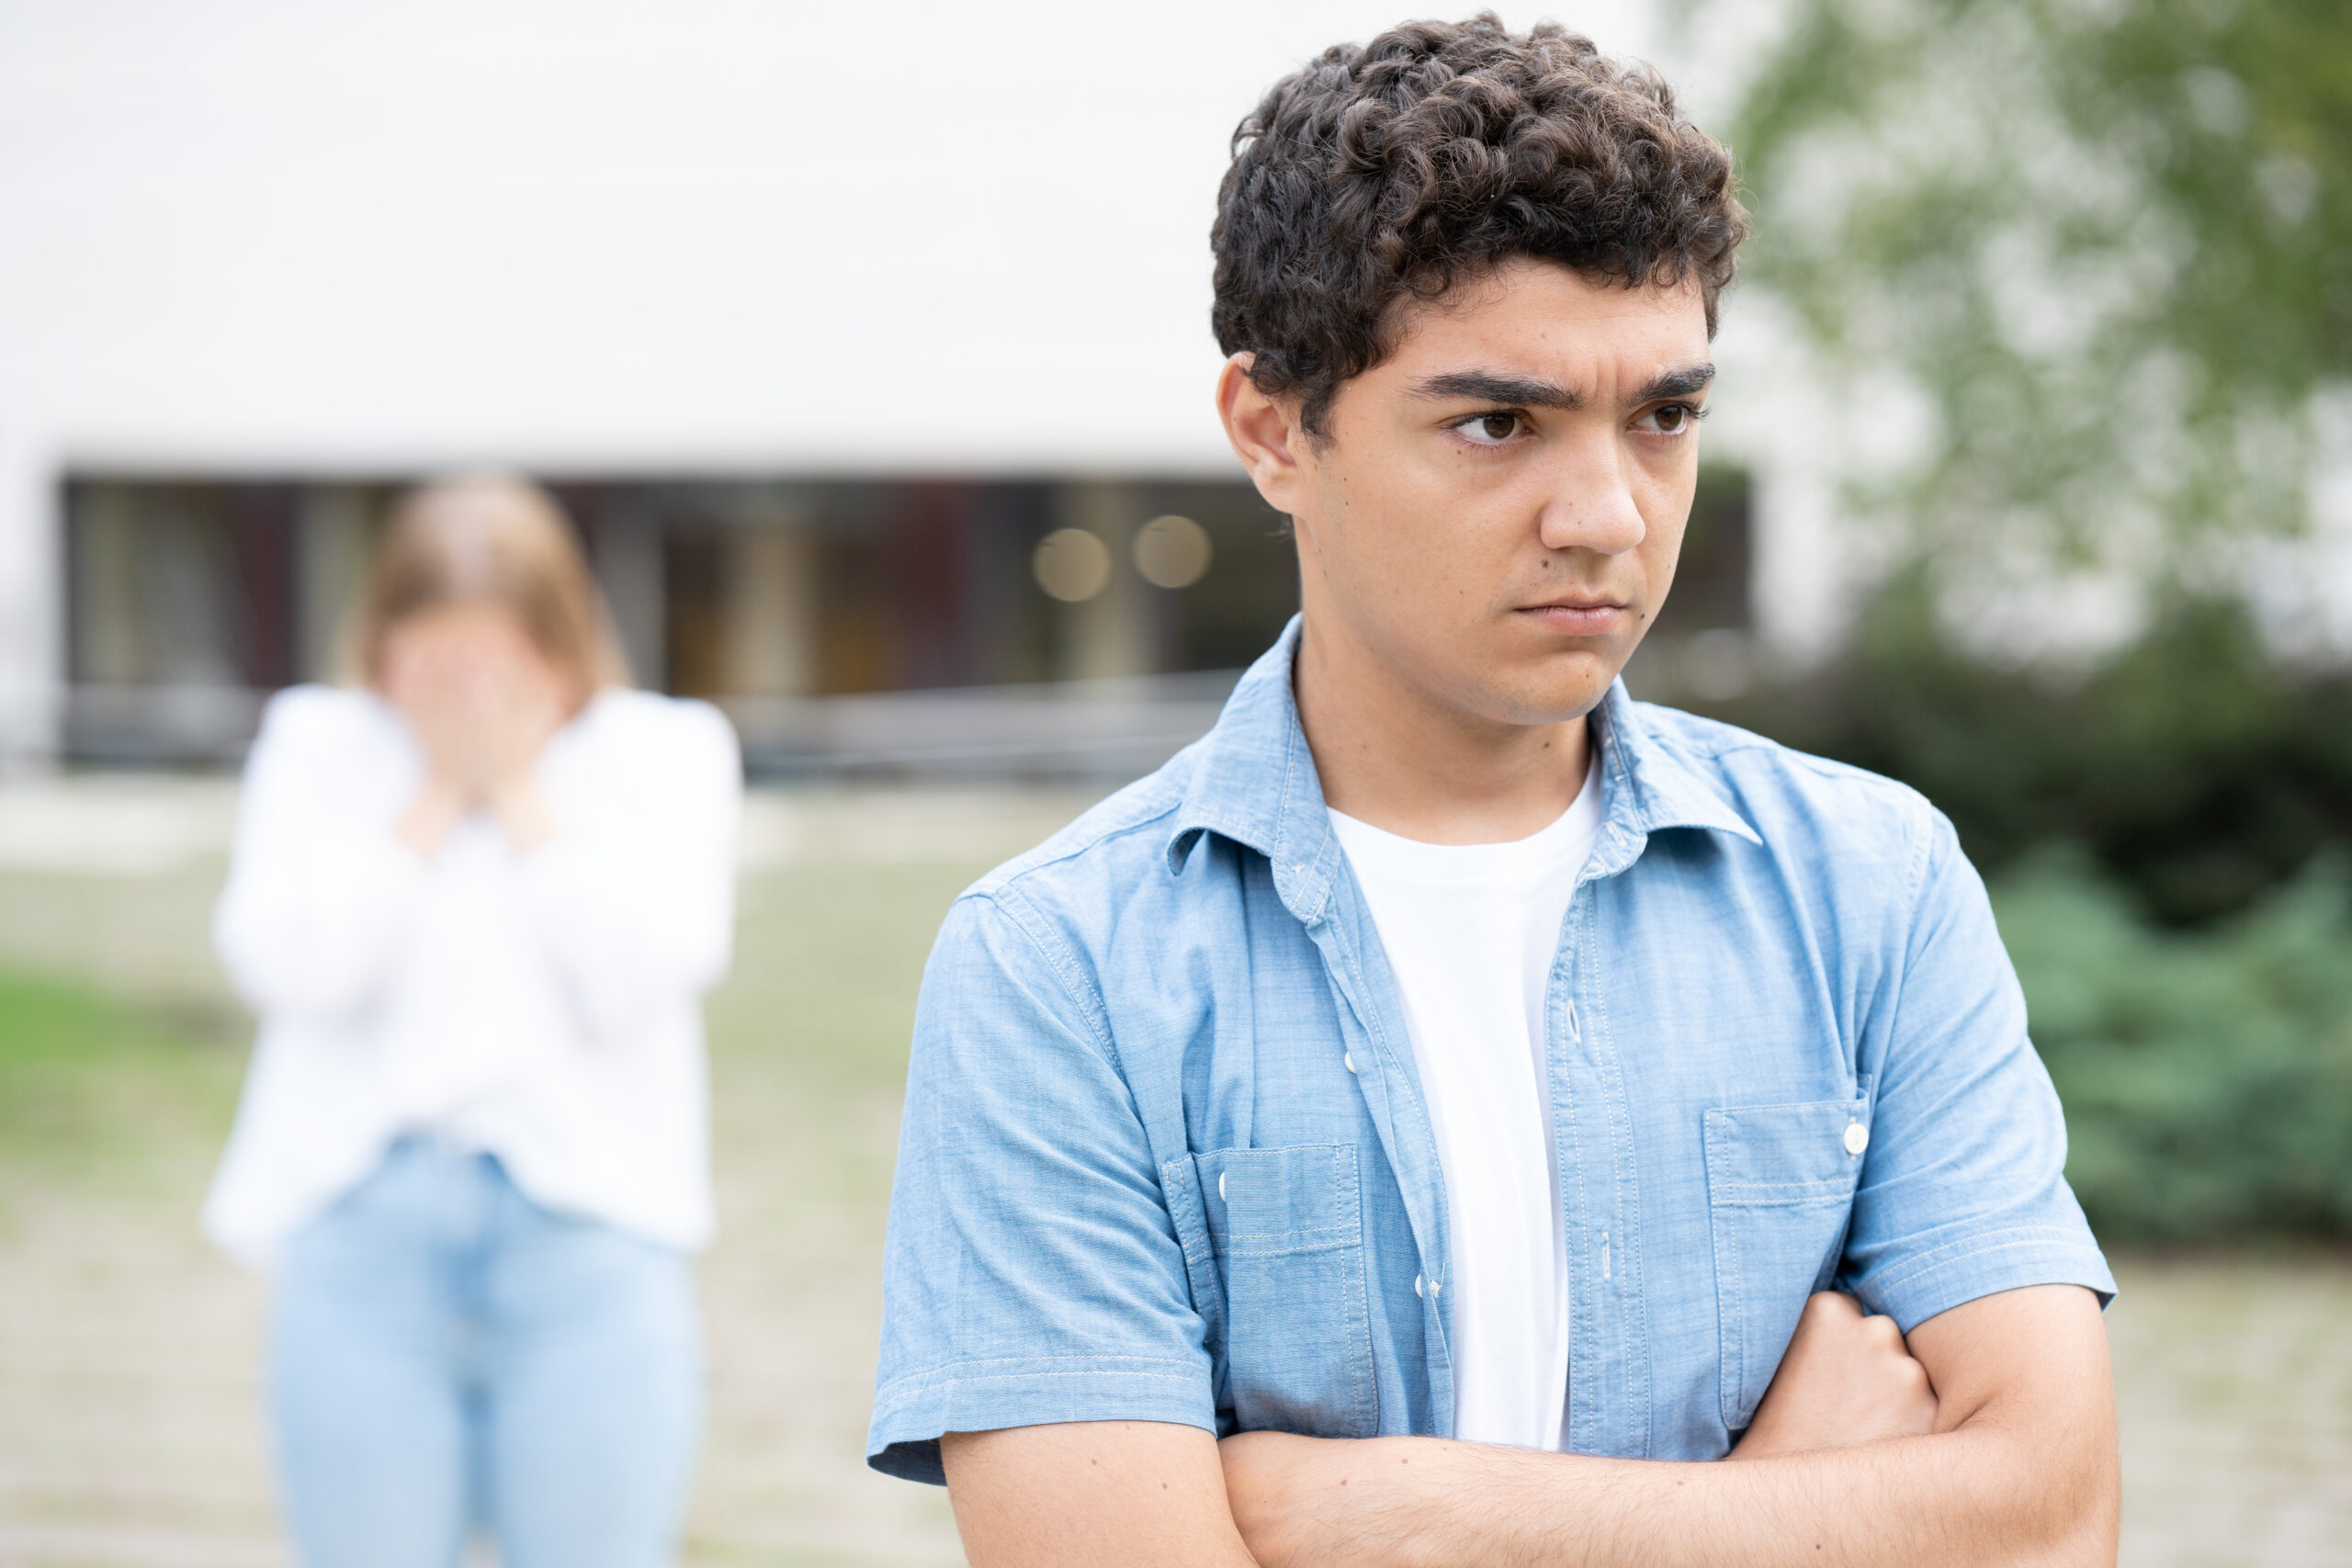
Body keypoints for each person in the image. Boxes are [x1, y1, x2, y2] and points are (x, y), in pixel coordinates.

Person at [868, 17, 2120, 1567]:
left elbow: (2052, 1520)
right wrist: (1790, 1506)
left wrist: (1415, 1519)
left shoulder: (1870, 884)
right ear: (1274, 431)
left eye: (1664, 415)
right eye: (1495, 423)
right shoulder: (1065, 968)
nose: (1605, 513)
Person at [204, 475, 741, 1568]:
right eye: (437, 665)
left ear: (560, 650)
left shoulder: (665, 752)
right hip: (363, 1233)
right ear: (383, 645)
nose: (465, 698)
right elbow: (289, 964)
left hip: (591, 1235)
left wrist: (521, 800)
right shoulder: (320, 746)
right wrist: (436, 802)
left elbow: (647, 971)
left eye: (493, 665)